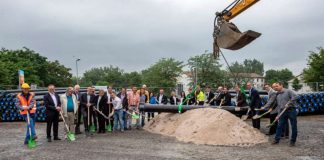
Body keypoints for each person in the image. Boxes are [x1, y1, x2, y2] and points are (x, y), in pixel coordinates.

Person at [272, 82, 298, 147]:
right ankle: (276, 139)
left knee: (293, 126)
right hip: (282, 112)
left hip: (291, 110)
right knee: (279, 125)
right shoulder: (278, 95)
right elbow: (279, 106)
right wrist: (278, 115)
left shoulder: (288, 91)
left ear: (281, 85)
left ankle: (293, 141)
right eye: (274, 87)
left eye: (277, 86)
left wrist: (289, 103)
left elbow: (296, 96)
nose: (275, 88)